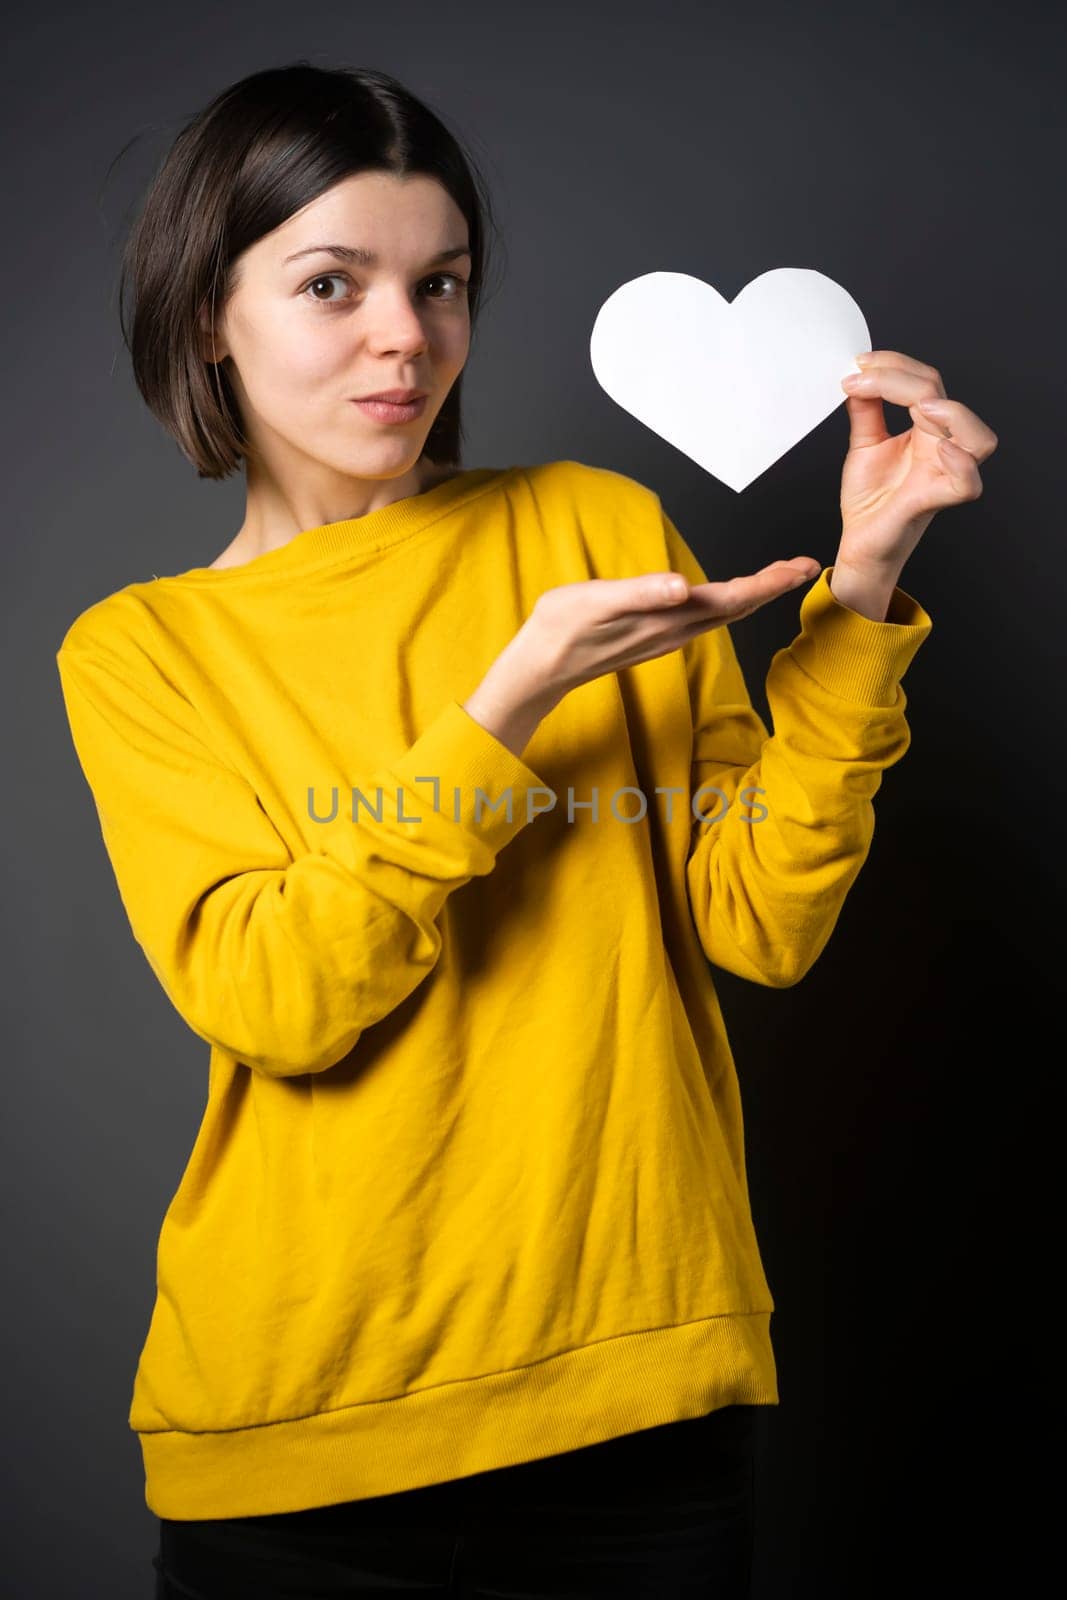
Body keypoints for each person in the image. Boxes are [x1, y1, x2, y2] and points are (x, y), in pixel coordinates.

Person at [55, 58, 996, 1600]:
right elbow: (278, 1004)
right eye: (329, 282)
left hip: (642, 1407)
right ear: (205, 312)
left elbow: (760, 922)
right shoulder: (142, 650)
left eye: (443, 284)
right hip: (306, 1433)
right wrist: (504, 710)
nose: (401, 335)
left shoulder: (594, 527)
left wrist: (868, 585)